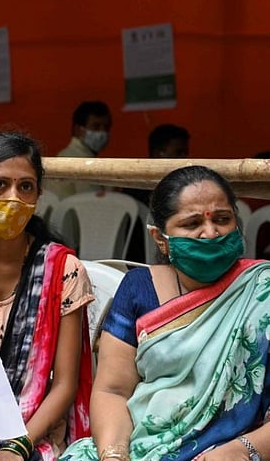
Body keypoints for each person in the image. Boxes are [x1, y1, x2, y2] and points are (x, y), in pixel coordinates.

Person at [61, 165, 270, 461]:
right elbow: (113, 391)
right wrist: (114, 454)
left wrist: (242, 450)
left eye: (223, 220)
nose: (210, 233)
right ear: (160, 238)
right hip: (135, 445)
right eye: (192, 223)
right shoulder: (138, 288)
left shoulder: (262, 289)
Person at [0, 132, 94, 460]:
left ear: (38, 194)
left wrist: (18, 448)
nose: (13, 198)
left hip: (32, 435)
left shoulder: (63, 271)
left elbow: (65, 384)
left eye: (25, 187)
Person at [52, 101, 112, 199]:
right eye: (96, 126)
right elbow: (93, 204)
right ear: (78, 129)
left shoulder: (65, 155)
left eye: (106, 127)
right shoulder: (81, 162)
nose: (102, 132)